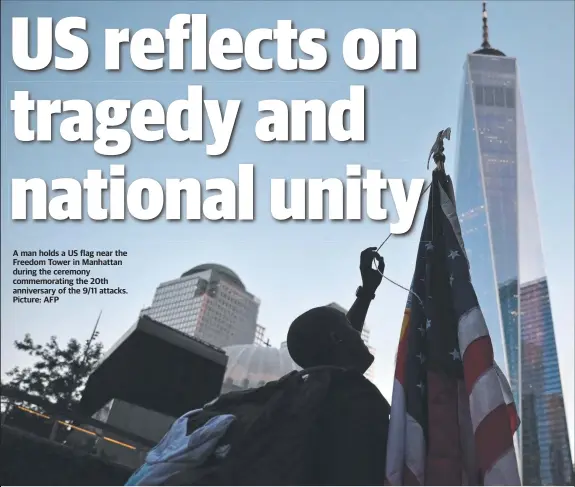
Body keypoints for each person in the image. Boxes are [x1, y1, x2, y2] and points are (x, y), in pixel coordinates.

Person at [287, 247, 390, 486]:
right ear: (335, 338)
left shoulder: (310, 396)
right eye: (347, 326)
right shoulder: (357, 402)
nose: (357, 332)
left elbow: (340, 348)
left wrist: (366, 293)